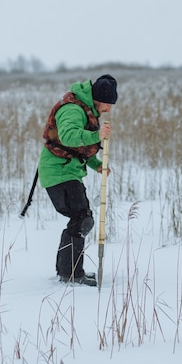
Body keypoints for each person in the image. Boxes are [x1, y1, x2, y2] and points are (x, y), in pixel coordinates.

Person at [37, 74, 117, 286]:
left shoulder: (85, 108)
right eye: (108, 104)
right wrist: (97, 136)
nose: (108, 110)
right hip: (58, 172)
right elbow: (68, 137)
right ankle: (70, 274)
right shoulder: (73, 109)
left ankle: (68, 271)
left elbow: (77, 150)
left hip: (67, 172)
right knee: (82, 219)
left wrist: (96, 165)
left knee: (81, 219)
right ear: (98, 99)